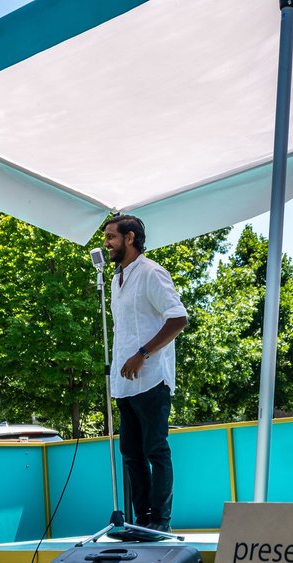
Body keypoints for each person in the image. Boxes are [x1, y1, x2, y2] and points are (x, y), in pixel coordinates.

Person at [105, 215, 187, 533]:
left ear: (130, 238)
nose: (106, 243)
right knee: (131, 455)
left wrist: (142, 354)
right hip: (124, 383)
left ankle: (161, 523)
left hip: (151, 377)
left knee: (155, 449)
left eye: (111, 237)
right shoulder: (116, 279)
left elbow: (178, 319)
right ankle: (142, 523)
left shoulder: (152, 272)